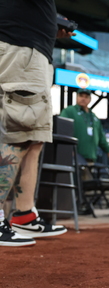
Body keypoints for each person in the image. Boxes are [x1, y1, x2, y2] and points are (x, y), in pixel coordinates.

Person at [0, 0, 73, 247]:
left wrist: (52, 24)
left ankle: (24, 214)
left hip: (29, 51)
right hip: (19, 50)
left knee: (33, 139)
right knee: (17, 136)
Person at [60, 88, 109, 164]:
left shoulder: (94, 117)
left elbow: (101, 137)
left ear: (90, 100)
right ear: (76, 97)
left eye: (86, 97)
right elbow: (62, 130)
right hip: (74, 157)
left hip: (90, 158)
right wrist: (67, 150)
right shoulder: (69, 111)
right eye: (81, 96)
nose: (83, 99)